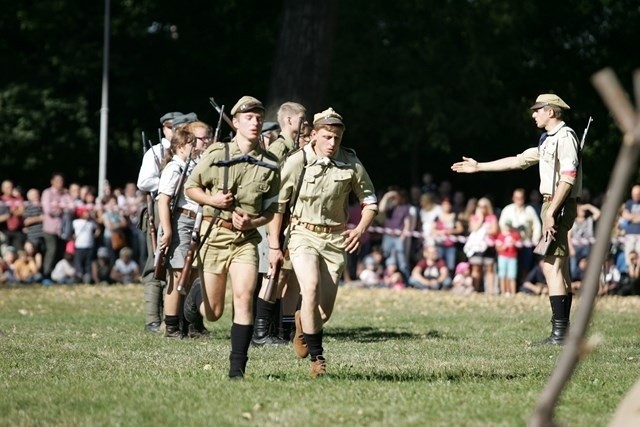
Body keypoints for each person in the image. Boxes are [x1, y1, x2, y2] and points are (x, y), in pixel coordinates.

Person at [452, 93, 582, 345]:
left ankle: (559, 335)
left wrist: (552, 213)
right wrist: (479, 167)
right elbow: (519, 160)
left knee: (550, 265)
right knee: (560, 267)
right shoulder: (549, 139)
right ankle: (564, 333)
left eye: (538, 110)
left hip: (558, 204)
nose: (534, 114)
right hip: (553, 203)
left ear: (551, 112)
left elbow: (568, 177)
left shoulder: (565, 137)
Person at [268, 107, 378, 378]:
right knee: (311, 286)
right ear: (314, 135)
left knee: (322, 312)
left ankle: (301, 324)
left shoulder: (350, 162)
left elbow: (370, 201)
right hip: (303, 234)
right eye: (327, 137)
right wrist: (273, 245)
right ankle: (318, 358)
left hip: (334, 239)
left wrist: (360, 228)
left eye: (336, 138)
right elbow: (278, 206)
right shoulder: (298, 161)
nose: (332, 143)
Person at [183, 96, 280, 379]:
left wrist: (253, 220)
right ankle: (195, 300)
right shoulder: (217, 153)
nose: (255, 122)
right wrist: (213, 200)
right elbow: (191, 188)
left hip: (245, 240)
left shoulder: (271, 163)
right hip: (215, 236)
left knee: (244, 297)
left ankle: (237, 370)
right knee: (213, 313)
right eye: (248, 118)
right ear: (235, 122)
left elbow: (272, 210)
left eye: (258, 118)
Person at [252, 101, 306, 346]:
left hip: (286, 217)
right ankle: (261, 332)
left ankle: (278, 329)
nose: (305, 124)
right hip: (273, 217)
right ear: (289, 120)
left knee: (285, 275)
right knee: (272, 274)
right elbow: (265, 181)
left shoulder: (293, 146)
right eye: (301, 119)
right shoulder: (279, 147)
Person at [156, 123, 211, 338]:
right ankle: (171, 326)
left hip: (195, 221)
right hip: (181, 221)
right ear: (180, 146)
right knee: (178, 274)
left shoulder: (191, 165)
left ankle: (188, 323)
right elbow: (164, 200)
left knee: (191, 274)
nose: (194, 146)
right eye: (190, 143)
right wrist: (168, 231)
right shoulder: (174, 167)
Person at [136, 111, 182, 333]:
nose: (175, 131)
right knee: (155, 263)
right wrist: (168, 181)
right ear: (164, 128)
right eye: (172, 127)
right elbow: (143, 181)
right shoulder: (155, 152)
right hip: (157, 208)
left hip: (180, 209)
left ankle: (174, 318)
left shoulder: (185, 152)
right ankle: (153, 319)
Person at [498, 188, 542, 283]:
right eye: (516, 198)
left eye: (520, 198)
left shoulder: (530, 210)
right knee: (509, 267)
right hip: (510, 244)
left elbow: (537, 226)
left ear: (524, 198)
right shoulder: (507, 210)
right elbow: (502, 225)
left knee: (525, 266)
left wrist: (535, 240)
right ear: (513, 198)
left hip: (525, 243)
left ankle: (523, 285)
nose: (519, 200)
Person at [41, 173, 73, 281]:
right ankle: (46, 274)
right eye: (58, 181)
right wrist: (62, 210)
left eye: (61, 181)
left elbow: (71, 207)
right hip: (50, 228)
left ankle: (57, 275)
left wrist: (62, 208)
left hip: (62, 229)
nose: (60, 183)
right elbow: (48, 210)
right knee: (52, 250)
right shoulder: (47, 193)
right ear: (52, 182)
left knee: (60, 252)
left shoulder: (64, 194)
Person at [463, 197, 499, 293]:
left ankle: (490, 291)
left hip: (488, 247)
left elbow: (495, 230)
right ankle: (475, 289)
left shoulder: (492, 218)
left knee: (489, 269)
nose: (481, 208)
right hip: (476, 247)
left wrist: (483, 231)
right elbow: (474, 229)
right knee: (476, 269)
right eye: (479, 206)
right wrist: (481, 219)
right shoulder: (474, 218)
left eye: (484, 206)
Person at [568, 202, 600, 278]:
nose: (583, 211)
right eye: (580, 209)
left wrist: (588, 206)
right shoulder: (572, 222)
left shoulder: (589, 220)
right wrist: (571, 248)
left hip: (586, 247)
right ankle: (575, 282)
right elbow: (568, 236)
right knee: (573, 269)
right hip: (576, 247)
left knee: (586, 266)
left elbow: (598, 213)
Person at [495, 222, 521, 296]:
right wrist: (503, 247)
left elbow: (520, 245)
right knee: (503, 275)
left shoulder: (515, 235)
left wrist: (514, 242)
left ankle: (512, 292)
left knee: (512, 275)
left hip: (512, 257)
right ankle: (504, 292)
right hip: (503, 257)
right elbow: (498, 248)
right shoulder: (500, 236)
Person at [0, 180, 25, 251]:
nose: (10, 189)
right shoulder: (1, 200)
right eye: (7, 187)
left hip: (18, 230)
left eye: (11, 187)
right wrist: (11, 213)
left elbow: (21, 211)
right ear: (2, 189)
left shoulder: (18, 198)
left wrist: (11, 213)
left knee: (20, 252)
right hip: (4, 230)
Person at [620, 184, 640, 270]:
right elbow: (625, 215)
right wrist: (636, 217)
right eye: (633, 194)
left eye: (636, 194)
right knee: (628, 256)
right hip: (629, 234)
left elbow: (629, 216)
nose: (634, 196)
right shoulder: (629, 203)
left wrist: (631, 217)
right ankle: (630, 274)